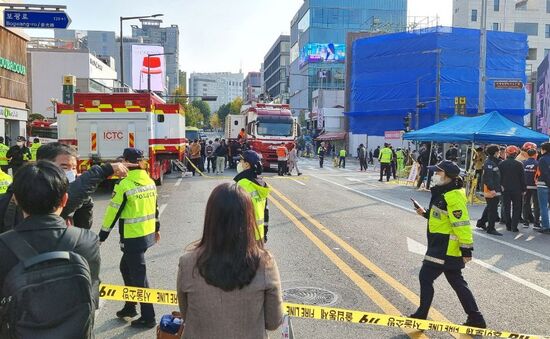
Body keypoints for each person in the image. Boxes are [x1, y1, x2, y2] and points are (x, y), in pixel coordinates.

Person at [0, 161, 101, 337]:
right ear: (64, 199)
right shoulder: (87, 240)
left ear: (15, 199)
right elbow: (91, 297)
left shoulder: (3, 246)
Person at [176, 183, 282, 338]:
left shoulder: (187, 263)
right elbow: (273, 322)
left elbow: (187, 315)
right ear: (248, 218)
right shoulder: (265, 263)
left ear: (210, 218)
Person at [411, 160, 486, 328]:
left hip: (444, 248)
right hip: (440, 245)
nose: (434, 175)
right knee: (457, 282)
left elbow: (462, 225)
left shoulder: (452, 197)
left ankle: (421, 315)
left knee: (425, 277)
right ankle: (476, 319)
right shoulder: (442, 193)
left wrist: (466, 250)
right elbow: (441, 217)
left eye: (438, 172)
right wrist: (425, 214)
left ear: (447, 176)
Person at [0, 143, 128, 232]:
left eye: (73, 168)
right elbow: (69, 199)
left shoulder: (73, 195)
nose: (71, 173)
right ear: (44, 165)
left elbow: (82, 226)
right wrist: (103, 170)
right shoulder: (28, 195)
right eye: (64, 167)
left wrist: (85, 201)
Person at [101, 148, 160, 328]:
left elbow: (113, 211)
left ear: (125, 161)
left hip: (133, 237)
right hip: (146, 233)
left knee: (139, 276)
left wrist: (102, 235)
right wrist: (157, 228)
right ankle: (130, 306)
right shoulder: (149, 180)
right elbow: (155, 207)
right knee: (125, 267)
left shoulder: (124, 184)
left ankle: (148, 317)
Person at [234, 150, 270, 242]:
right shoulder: (262, 184)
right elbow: (265, 212)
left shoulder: (242, 184)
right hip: (259, 234)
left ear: (247, 165)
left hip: (245, 236)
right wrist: (264, 233)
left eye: (241, 161)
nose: (239, 163)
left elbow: (235, 213)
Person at [476, 145, 503, 236]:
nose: (499, 153)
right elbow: (488, 178)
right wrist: (492, 189)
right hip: (491, 190)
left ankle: (481, 222)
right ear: (496, 152)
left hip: (494, 189)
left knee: (490, 207)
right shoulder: (489, 163)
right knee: (492, 209)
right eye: (498, 151)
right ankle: (491, 228)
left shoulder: (493, 161)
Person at [498, 145, 525, 232]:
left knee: (506, 207)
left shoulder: (501, 164)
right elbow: (522, 178)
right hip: (517, 189)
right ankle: (514, 226)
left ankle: (508, 225)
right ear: (515, 153)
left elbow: (499, 177)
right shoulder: (519, 164)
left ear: (507, 153)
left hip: (505, 189)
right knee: (517, 208)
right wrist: (524, 189)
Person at [523, 148, 540, 229]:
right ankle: (536, 224)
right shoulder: (537, 163)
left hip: (526, 186)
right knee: (536, 205)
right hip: (535, 186)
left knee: (526, 204)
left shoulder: (523, 163)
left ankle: (525, 222)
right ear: (535, 154)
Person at [536, 142, 550, 234]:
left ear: (544, 149)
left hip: (543, 185)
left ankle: (545, 226)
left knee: (544, 207)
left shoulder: (542, 159)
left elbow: (544, 173)